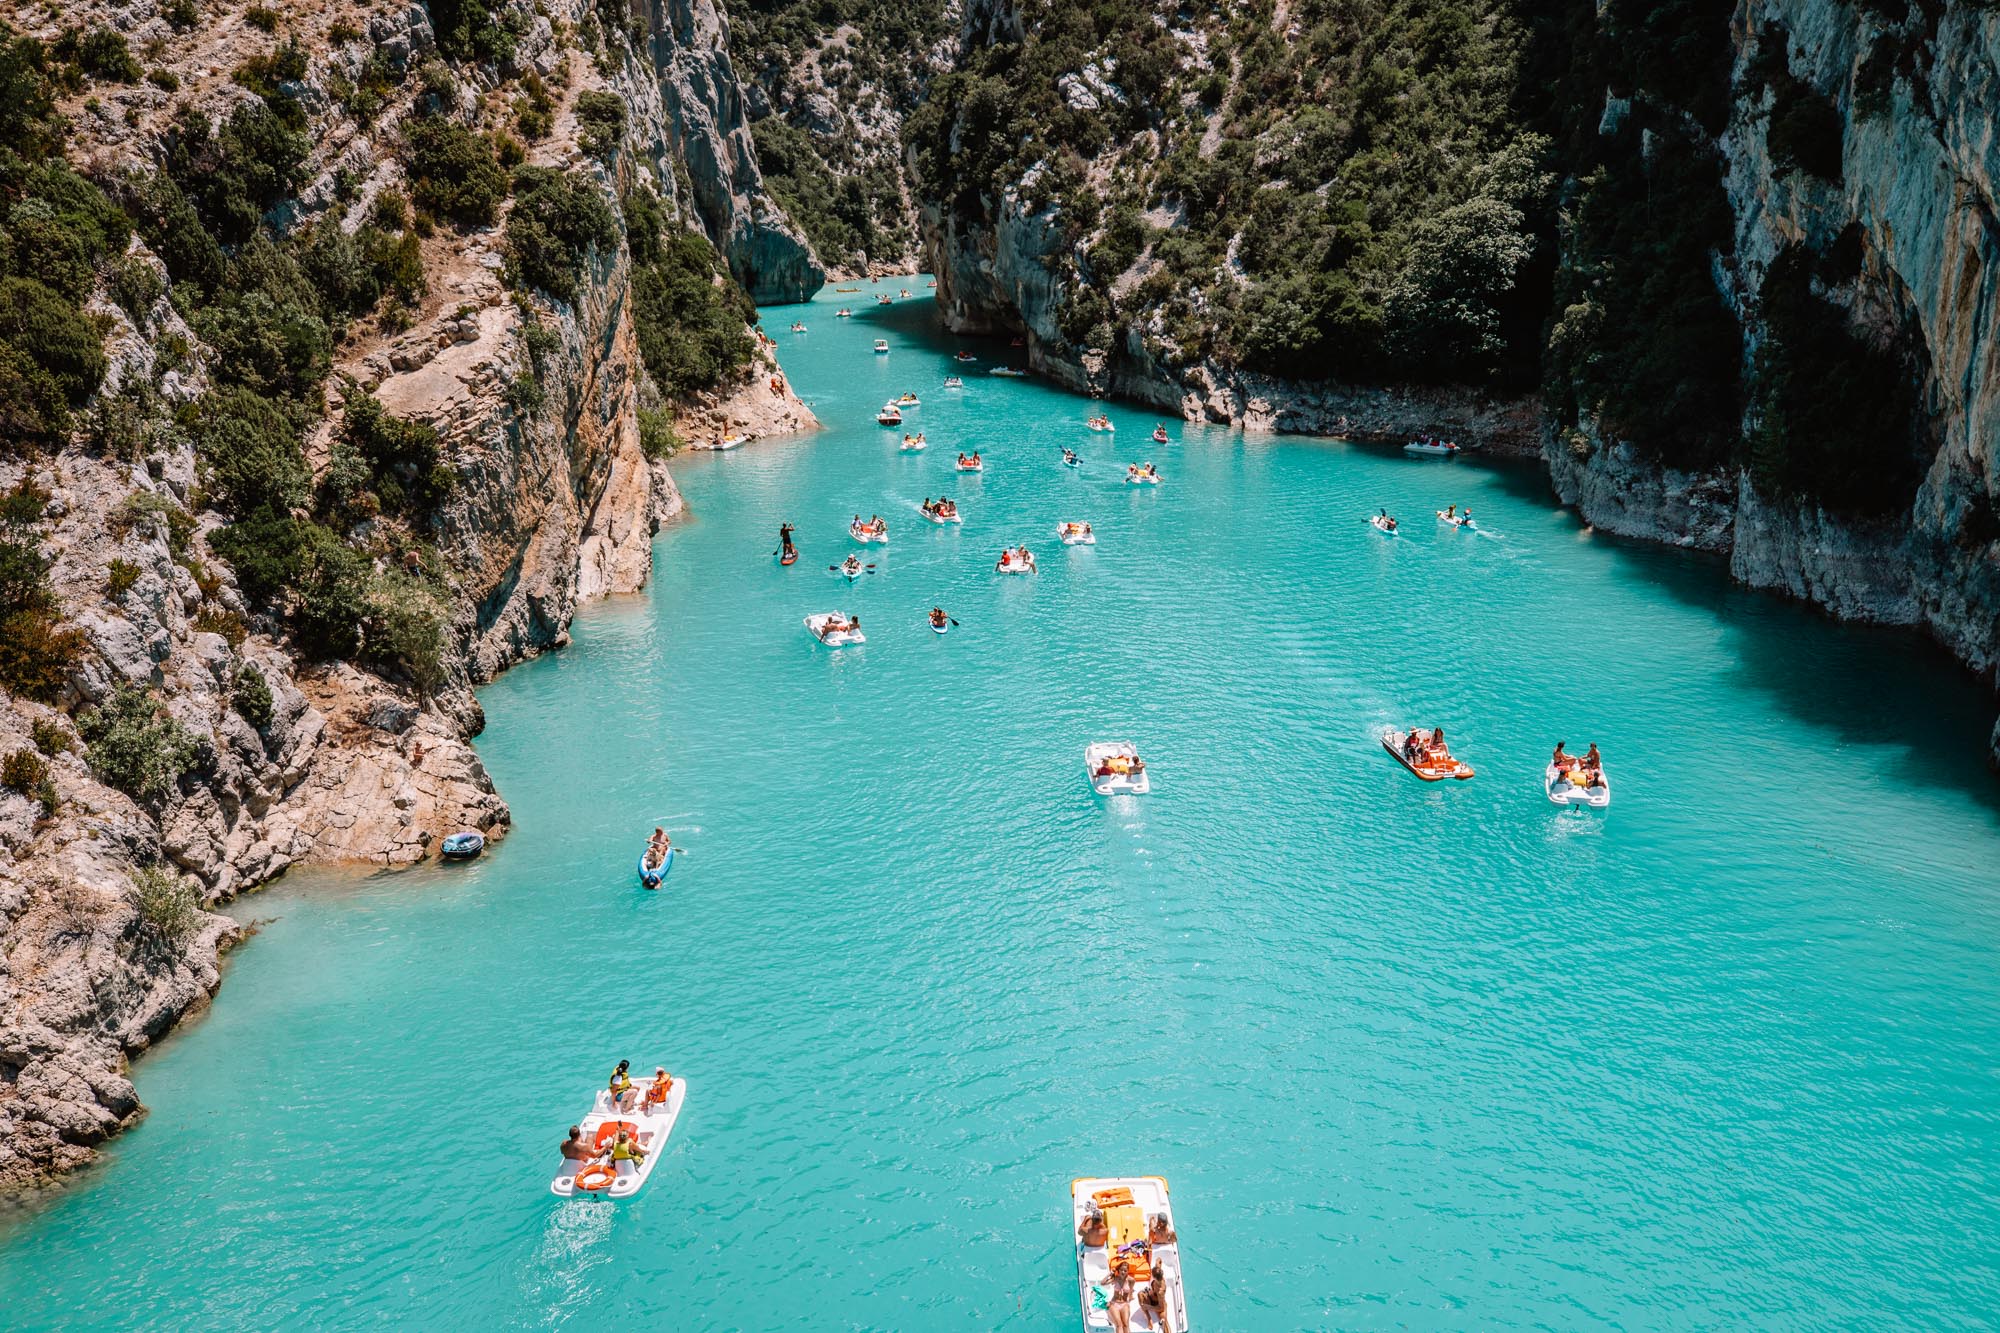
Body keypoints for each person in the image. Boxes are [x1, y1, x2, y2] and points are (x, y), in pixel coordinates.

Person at [1105, 1262, 1136, 1333]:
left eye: (1125, 1271)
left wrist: (1130, 1298)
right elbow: (1103, 1283)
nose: (1123, 1272)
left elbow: (1131, 1290)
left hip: (1124, 1304)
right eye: (1121, 1270)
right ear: (1118, 1270)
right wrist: (1110, 1273)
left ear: (1128, 1271)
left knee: (1126, 1325)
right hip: (1114, 1303)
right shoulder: (1115, 1279)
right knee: (1119, 1325)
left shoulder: (1131, 1280)